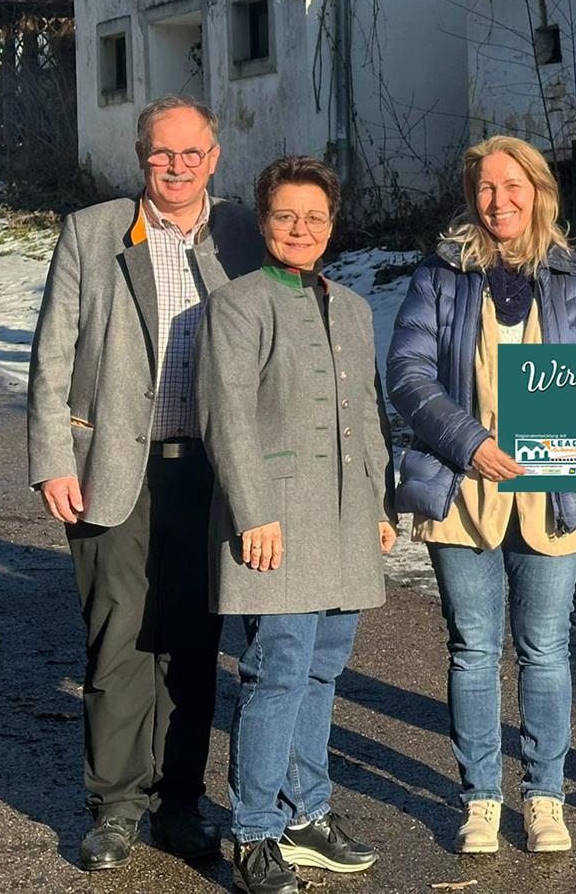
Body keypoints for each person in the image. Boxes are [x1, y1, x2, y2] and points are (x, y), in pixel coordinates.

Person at [27, 95, 261, 870]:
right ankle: (116, 807)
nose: (177, 168)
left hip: (209, 470)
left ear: (214, 158)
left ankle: (182, 803)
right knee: (119, 639)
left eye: (192, 155)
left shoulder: (242, 234)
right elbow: (52, 353)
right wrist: (53, 457)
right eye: (162, 154)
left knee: (195, 643)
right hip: (110, 471)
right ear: (141, 155)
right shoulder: (92, 232)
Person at [387, 135, 576, 857]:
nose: (499, 201)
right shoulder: (441, 273)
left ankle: (545, 795)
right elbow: (407, 372)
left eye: (513, 186)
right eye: (486, 187)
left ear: (540, 191)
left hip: (556, 494)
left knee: (545, 647)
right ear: (471, 194)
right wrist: (468, 440)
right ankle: (481, 797)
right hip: (464, 488)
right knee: (473, 647)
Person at [193, 156, 396, 893]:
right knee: (276, 672)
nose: (300, 229)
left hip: (344, 522)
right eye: (286, 216)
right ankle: (253, 832)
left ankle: (307, 812)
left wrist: (378, 504)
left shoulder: (353, 307)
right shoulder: (238, 304)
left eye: (315, 217)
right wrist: (254, 512)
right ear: (263, 219)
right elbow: (226, 416)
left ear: (332, 225)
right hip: (275, 522)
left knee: (322, 670)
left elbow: (369, 416)